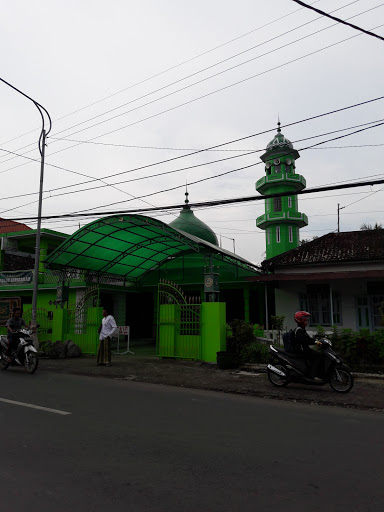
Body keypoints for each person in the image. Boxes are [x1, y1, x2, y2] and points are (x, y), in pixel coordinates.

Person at [293, 311, 324, 380]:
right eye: (305, 319)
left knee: (318, 355)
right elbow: (305, 340)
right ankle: (313, 375)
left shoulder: (302, 329)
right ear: (301, 320)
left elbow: (308, 338)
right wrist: (315, 342)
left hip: (304, 349)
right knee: (318, 356)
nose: (307, 320)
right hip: (301, 350)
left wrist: (316, 340)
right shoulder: (299, 330)